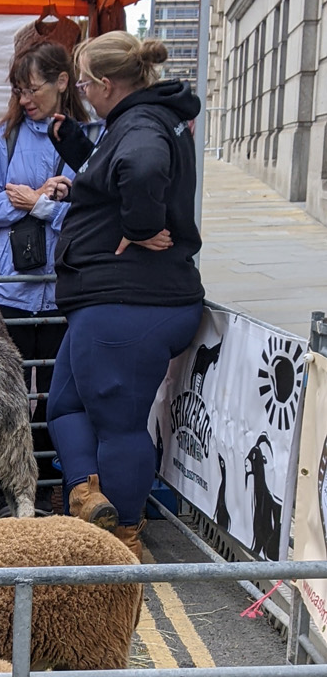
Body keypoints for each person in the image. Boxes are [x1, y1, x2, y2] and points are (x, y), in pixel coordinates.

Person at [44, 32, 204, 560]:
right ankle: (91, 501)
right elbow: (120, 169)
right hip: (112, 301)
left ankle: (123, 540)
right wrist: (80, 158)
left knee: (118, 425)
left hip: (130, 303)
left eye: (85, 82)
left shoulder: (139, 124)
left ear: (108, 84)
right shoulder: (143, 117)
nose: (83, 91)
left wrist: (140, 226)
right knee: (64, 404)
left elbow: (141, 167)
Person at [0, 42, 90, 519]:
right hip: (10, 288)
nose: (23, 100)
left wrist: (41, 205)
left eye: (31, 88)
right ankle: (8, 489)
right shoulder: (7, 136)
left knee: (60, 396)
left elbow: (93, 211)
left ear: (61, 82)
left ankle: (51, 492)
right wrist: (20, 203)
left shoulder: (87, 137)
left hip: (64, 289)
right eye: (17, 91)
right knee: (8, 395)